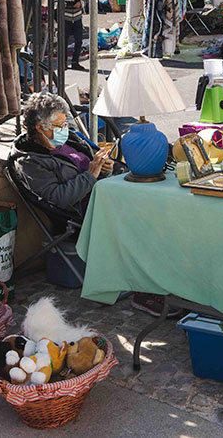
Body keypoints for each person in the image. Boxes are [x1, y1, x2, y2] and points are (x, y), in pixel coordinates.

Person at [10, 94, 180, 319]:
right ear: (40, 128)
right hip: (83, 209)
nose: (65, 129)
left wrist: (105, 168)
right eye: (59, 126)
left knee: (160, 202)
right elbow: (58, 197)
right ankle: (146, 291)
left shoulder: (69, 139)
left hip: (106, 192)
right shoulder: (30, 161)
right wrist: (91, 175)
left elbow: (94, 166)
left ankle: (169, 279)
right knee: (145, 219)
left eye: (65, 123)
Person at [62, 0, 86, 71]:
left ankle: (75, 62)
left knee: (79, 41)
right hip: (66, 17)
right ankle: (63, 63)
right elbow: (55, 0)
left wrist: (81, 3)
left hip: (77, 17)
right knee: (64, 41)